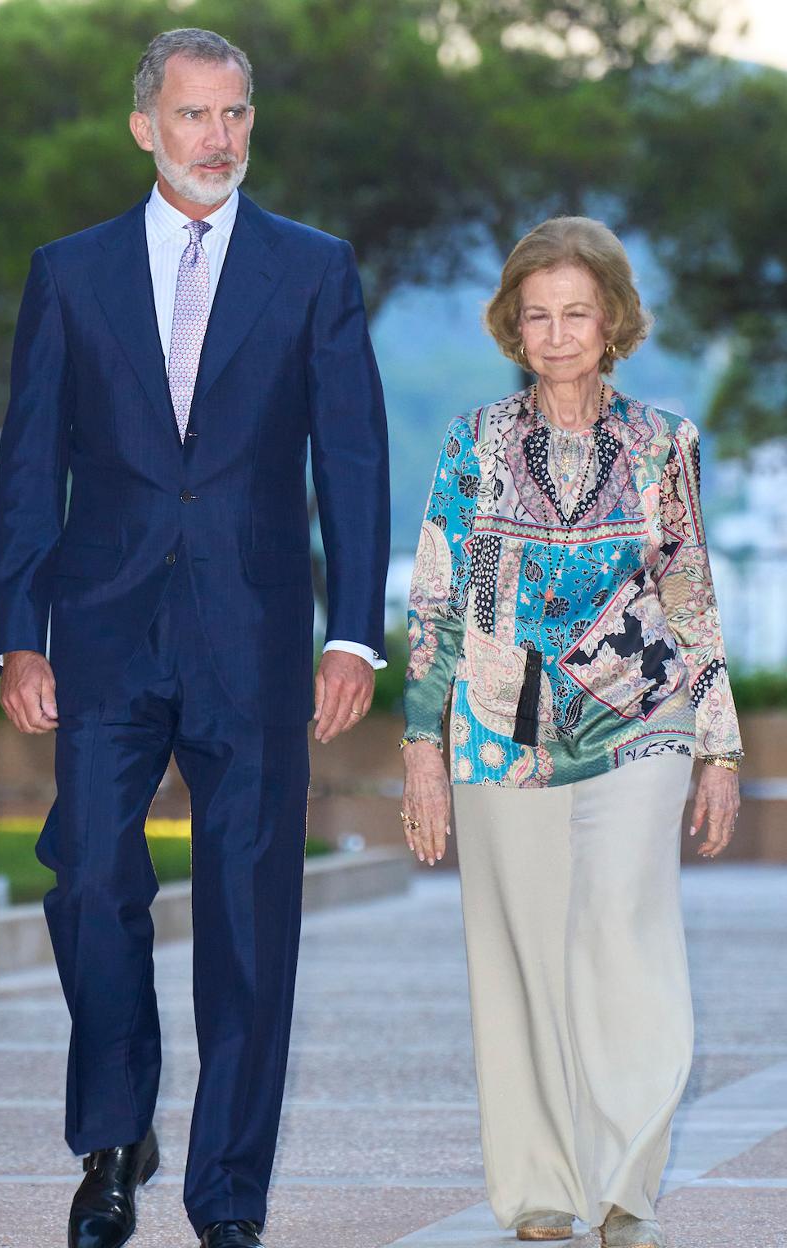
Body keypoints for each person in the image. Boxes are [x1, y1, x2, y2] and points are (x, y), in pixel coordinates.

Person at [0, 27, 389, 1248]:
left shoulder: (313, 269)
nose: (218, 138)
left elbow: (354, 464)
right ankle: (115, 1139)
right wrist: (19, 633)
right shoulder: (70, 272)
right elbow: (28, 468)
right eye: (194, 115)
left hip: (257, 634)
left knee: (252, 919)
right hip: (101, 634)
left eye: (235, 114)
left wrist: (353, 636)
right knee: (93, 878)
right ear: (144, 126)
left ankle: (229, 1196)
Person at [401, 216, 742, 1247]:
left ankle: (626, 1184)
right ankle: (545, 1188)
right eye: (537, 316)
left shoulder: (662, 442)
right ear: (514, 326)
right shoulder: (473, 442)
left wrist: (718, 746)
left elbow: (689, 593)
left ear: (612, 324)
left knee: (623, 929)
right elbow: (434, 600)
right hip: (497, 731)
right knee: (518, 958)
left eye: (576, 314)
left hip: (643, 716)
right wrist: (420, 748)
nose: (556, 334)